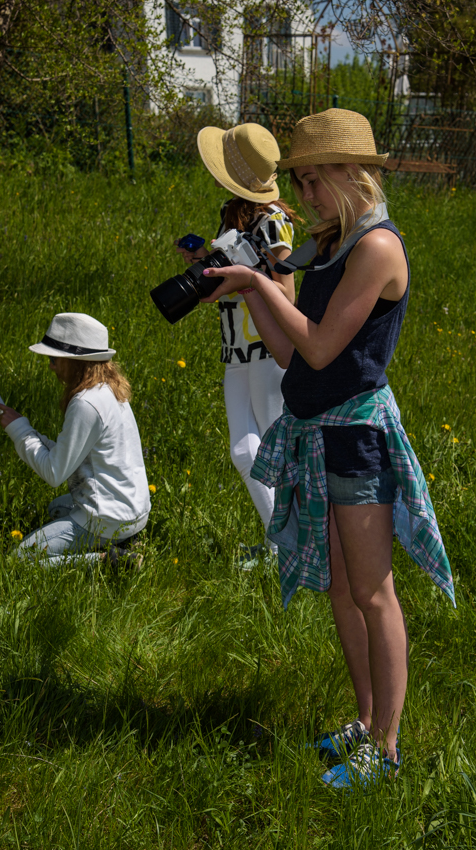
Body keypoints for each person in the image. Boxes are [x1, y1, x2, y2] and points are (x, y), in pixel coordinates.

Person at [200, 109, 455, 787]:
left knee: (373, 594)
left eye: (312, 180)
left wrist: (258, 281)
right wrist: (246, 286)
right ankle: (366, 721)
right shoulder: (332, 241)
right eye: (302, 180)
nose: (304, 193)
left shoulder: (375, 248)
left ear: (350, 172)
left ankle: (388, 746)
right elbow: (289, 354)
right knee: (342, 590)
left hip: (357, 437)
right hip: (320, 432)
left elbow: (317, 345)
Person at [175, 122, 299, 557]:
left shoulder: (276, 222)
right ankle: (282, 542)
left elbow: (287, 293)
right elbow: (222, 291)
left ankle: (294, 547)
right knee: (242, 451)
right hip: (235, 350)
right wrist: (203, 268)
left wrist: (249, 275)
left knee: (272, 446)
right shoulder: (232, 214)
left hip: (268, 348)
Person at [0, 312, 150, 564]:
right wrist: (27, 428)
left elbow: (54, 472)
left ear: (76, 362)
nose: (50, 366)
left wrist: (19, 430)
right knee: (57, 508)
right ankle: (124, 540)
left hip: (107, 518)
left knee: (19, 560)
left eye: (55, 359)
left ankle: (106, 560)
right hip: (133, 510)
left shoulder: (86, 403)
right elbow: (73, 455)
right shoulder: (109, 389)